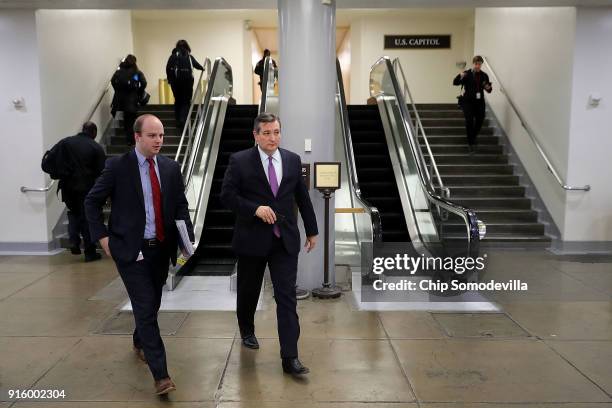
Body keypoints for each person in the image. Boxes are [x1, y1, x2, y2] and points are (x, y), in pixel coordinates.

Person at [84, 114, 194, 395]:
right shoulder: (117, 167)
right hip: (130, 250)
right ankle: (161, 375)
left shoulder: (170, 167)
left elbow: (181, 206)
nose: (158, 140)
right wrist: (102, 236)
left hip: (161, 248)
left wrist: (187, 239)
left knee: (152, 302)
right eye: (152, 136)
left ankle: (139, 340)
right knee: (145, 306)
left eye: (160, 136)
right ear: (137, 137)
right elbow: (91, 201)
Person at [220, 112, 318, 376]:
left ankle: (290, 358)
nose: (272, 137)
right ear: (255, 135)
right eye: (266, 133)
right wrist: (254, 209)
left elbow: (302, 197)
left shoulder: (292, 160)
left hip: (284, 240)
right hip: (252, 240)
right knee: (249, 291)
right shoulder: (240, 161)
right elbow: (227, 196)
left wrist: (312, 230)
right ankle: (247, 329)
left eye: (276, 132)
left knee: (286, 298)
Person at [41, 122, 106, 262]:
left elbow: (48, 162)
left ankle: (73, 239)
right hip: (87, 188)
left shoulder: (65, 142)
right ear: (93, 132)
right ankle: (90, 252)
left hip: (68, 187)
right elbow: (102, 173)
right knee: (88, 217)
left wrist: (61, 173)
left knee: (74, 212)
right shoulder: (96, 147)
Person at [453, 55, 493, 154]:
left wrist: (488, 87)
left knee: (480, 119)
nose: (477, 66)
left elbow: (489, 90)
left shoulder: (484, 75)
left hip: (479, 102)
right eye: (476, 64)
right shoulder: (467, 74)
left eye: (479, 64)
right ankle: (471, 143)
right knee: (469, 120)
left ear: (481, 64)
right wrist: (460, 76)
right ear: (473, 63)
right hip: (467, 101)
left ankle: (472, 137)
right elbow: (455, 82)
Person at [165, 40, 204, 134]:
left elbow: (168, 68)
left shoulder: (173, 56)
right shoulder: (189, 57)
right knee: (186, 101)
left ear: (177, 46)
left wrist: (170, 80)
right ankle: (184, 119)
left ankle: (178, 120)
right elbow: (197, 65)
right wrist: (203, 68)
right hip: (188, 83)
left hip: (176, 83)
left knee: (178, 100)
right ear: (187, 46)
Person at [111, 54, 147, 146]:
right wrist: (139, 91)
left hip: (122, 101)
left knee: (127, 120)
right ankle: (132, 139)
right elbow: (144, 82)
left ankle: (129, 139)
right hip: (133, 100)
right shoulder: (137, 72)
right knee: (132, 120)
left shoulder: (119, 72)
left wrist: (118, 90)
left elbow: (112, 80)